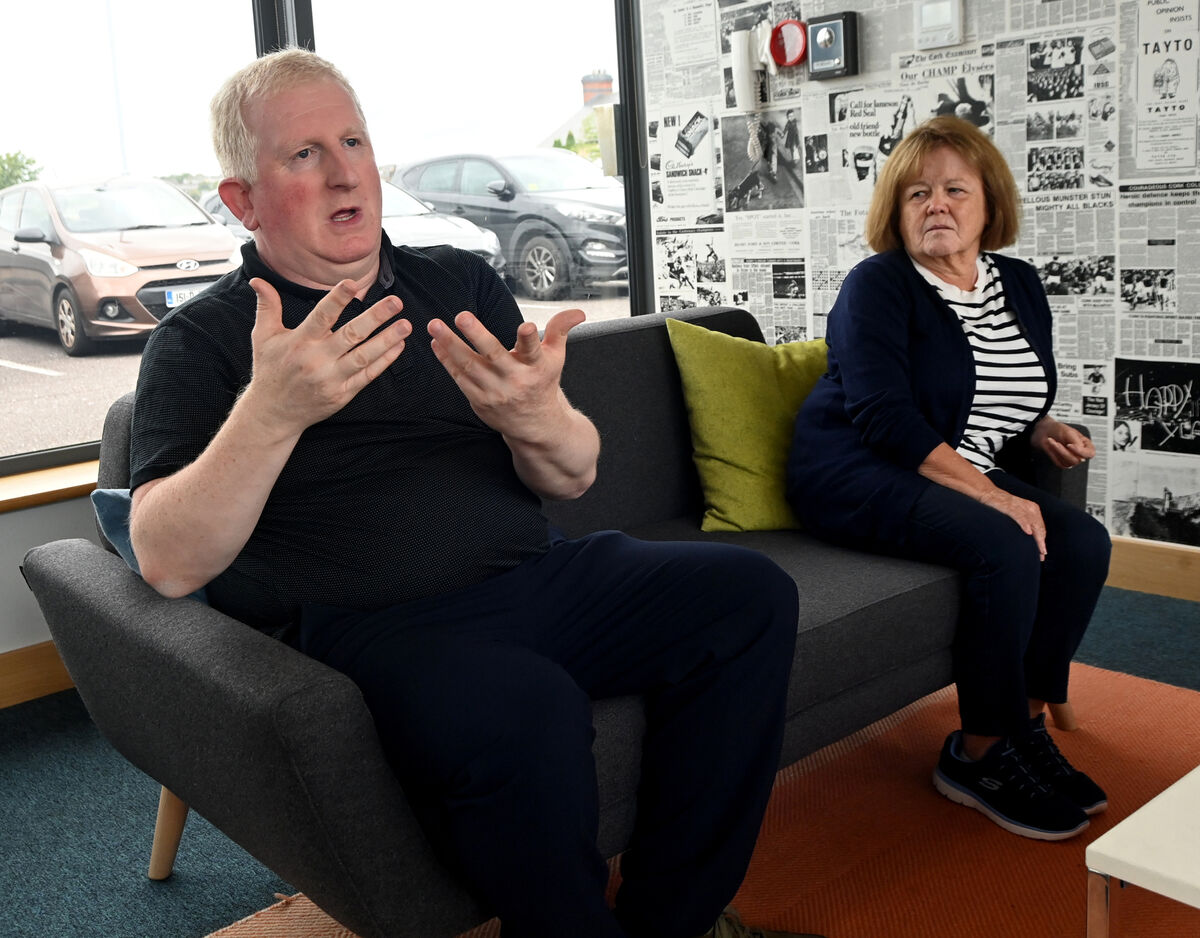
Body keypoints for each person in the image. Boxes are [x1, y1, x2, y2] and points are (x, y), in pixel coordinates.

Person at [128, 48, 818, 938]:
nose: (345, 173)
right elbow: (166, 562)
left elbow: (572, 475)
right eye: (303, 155)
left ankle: (673, 920)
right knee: (527, 715)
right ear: (243, 200)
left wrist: (536, 416)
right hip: (377, 627)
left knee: (749, 595)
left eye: (353, 140)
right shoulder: (204, 341)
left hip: (537, 578)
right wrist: (271, 414)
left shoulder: (456, 284)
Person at [786, 116, 1111, 842]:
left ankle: (1024, 727)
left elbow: (989, 386)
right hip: (855, 469)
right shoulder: (878, 286)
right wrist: (992, 492)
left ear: (988, 204)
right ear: (895, 213)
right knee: (1005, 539)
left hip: (955, 465)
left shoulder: (1018, 285)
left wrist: (1034, 428)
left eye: (955, 190)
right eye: (917, 194)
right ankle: (979, 753)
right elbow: (884, 417)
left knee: (1084, 543)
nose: (937, 205)